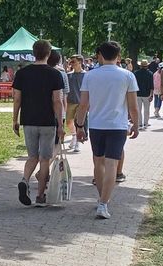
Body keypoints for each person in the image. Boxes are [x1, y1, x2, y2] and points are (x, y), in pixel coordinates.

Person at [74, 41, 140, 220]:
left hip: (96, 125)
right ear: (119, 56)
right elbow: (133, 106)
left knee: (98, 163)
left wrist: (80, 126)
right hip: (117, 126)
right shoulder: (128, 76)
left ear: (100, 55)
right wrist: (136, 123)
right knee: (112, 164)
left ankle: (102, 198)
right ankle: (104, 203)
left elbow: (83, 105)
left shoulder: (90, 76)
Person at [12, 40, 64, 207]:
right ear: (48, 54)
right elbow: (57, 101)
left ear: (33, 53)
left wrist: (15, 119)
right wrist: (61, 125)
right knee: (45, 159)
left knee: (32, 156)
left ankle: (25, 180)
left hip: (28, 120)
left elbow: (17, 98)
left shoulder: (22, 74)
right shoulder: (55, 74)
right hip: (48, 121)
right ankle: (40, 195)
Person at [65, 55, 85, 152]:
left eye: (73, 61)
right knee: (69, 122)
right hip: (70, 101)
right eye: (71, 62)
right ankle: (73, 136)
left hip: (81, 103)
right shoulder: (69, 75)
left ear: (80, 62)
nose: (71, 64)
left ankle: (77, 142)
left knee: (78, 122)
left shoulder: (85, 75)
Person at [133, 60, 155, 130]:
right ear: (147, 65)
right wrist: (152, 95)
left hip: (138, 94)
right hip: (147, 94)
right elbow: (152, 85)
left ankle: (139, 123)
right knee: (146, 109)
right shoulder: (150, 73)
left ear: (140, 65)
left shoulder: (136, 73)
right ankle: (146, 123)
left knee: (138, 109)